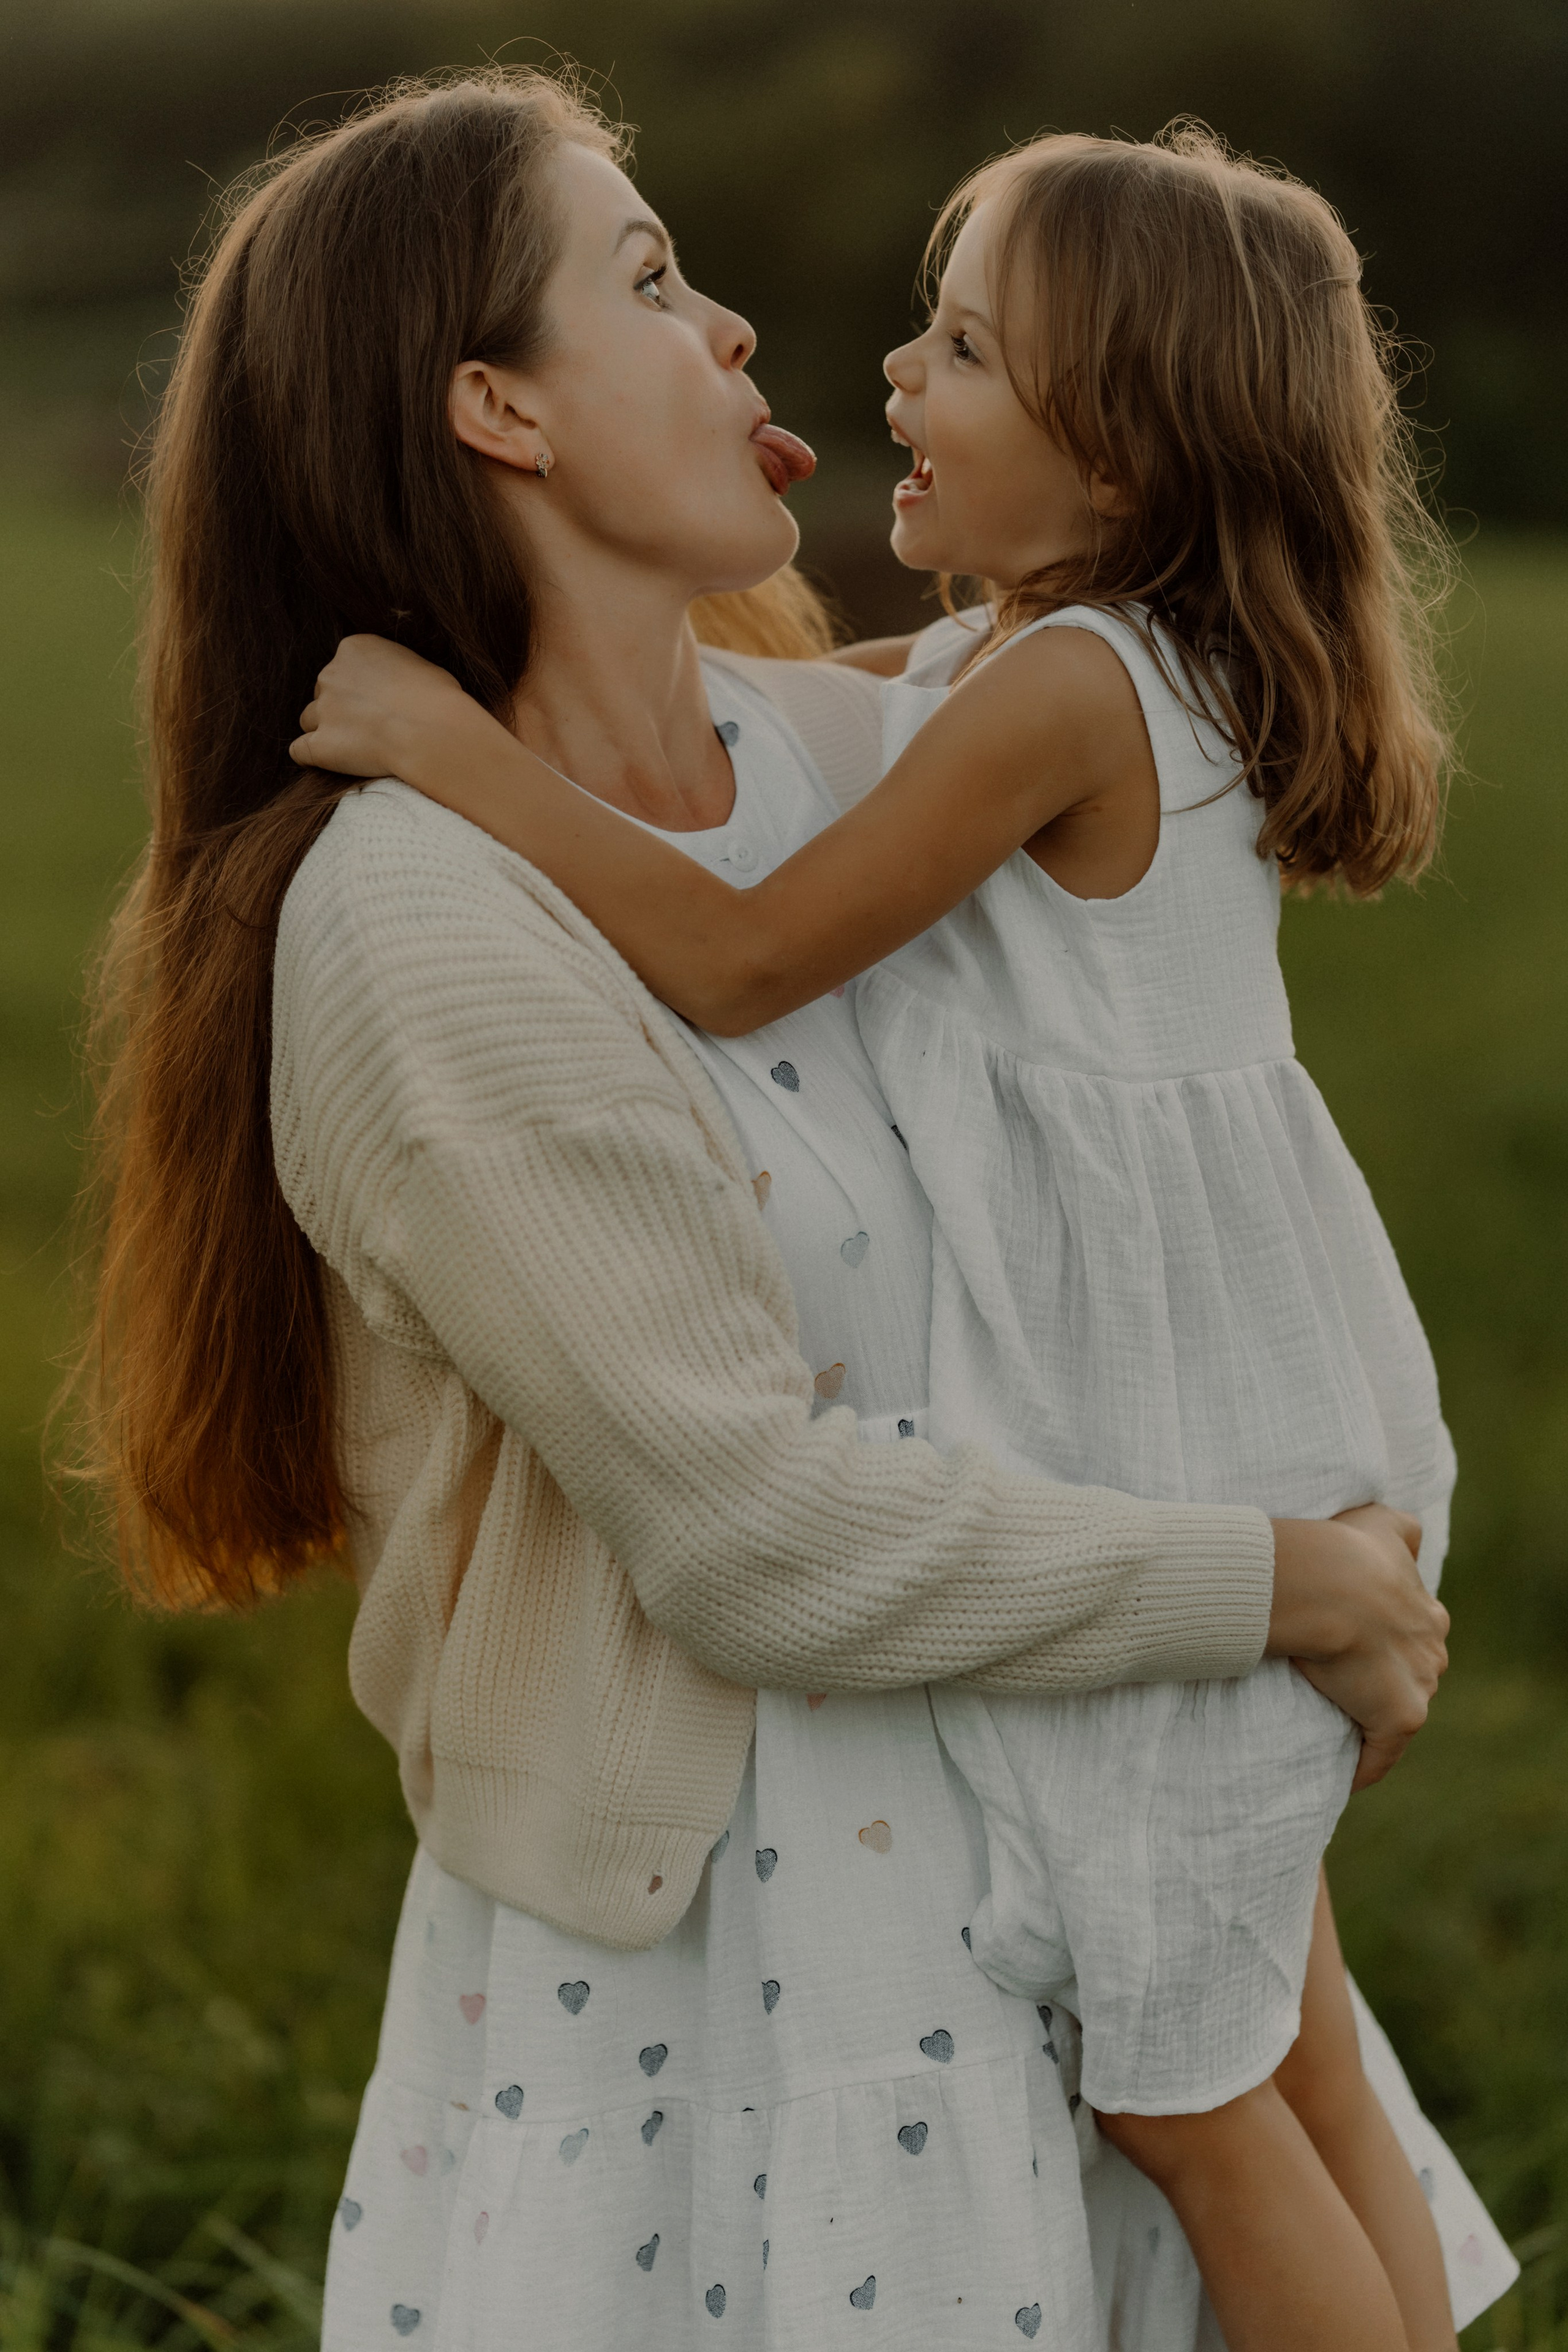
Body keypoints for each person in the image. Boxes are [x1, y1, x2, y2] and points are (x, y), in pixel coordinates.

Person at [74, 67, 1476, 2349]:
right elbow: (749, 1524)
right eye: (649, 282)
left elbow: (825, 886)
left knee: (1261, 2134)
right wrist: (1280, 1579)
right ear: (494, 414)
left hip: (1033, 1812)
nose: (745, 335)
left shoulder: (835, 742)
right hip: (758, 1993)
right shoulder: (425, 928)